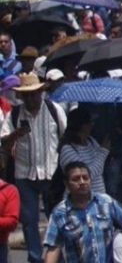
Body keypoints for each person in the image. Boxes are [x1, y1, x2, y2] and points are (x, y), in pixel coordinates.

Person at [4, 72, 67, 263]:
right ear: (21, 96)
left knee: (56, 218)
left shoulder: (55, 110)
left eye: (34, 94)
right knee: (29, 221)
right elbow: (4, 144)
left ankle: (58, 256)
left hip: (51, 172)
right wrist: (16, 134)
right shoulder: (14, 114)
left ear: (40, 92)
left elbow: (64, 138)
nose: (31, 98)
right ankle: (34, 258)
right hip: (25, 174)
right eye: (27, 95)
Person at [42, 161, 122, 263]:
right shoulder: (59, 213)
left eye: (85, 178)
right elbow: (53, 247)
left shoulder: (106, 202)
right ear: (66, 184)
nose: (82, 182)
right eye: (76, 179)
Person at [58, 107, 110, 196]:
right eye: (90, 122)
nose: (92, 125)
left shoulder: (92, 142)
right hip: (79, 200)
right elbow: (87, 175)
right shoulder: (67, 150)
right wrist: (103, 151)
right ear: (82, 125)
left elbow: (100, 168)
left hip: (99, 198)